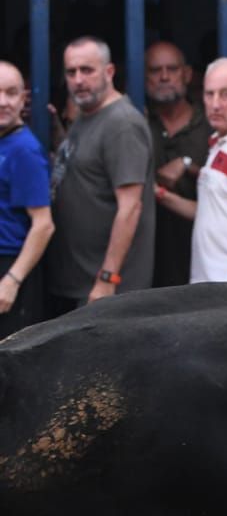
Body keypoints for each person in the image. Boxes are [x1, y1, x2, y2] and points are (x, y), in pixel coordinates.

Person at [46, 36, 155, 313]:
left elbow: (130, 207)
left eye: (87, 70)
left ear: (109, 72)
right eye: (71, 72)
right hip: (79, 281)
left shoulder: (122, 124)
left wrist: (108, 278)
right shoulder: (87, 114)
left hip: (106, 290)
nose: (78, 80)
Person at [151, 57, 227, 285]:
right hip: (211, 287)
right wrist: (159, 193)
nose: (216, 104)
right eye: (209, 94)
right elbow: (210, 211)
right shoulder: (223, 142)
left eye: (225, 94)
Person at [144, 41, 209, 287]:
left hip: (199, 261)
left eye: (172, 69)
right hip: (145, 262)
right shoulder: (136, 125)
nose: (164, 77)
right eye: (154, 70)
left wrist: (188, 165)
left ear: (187, 74)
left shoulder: (211, 125)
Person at [0, 59, 54, 336]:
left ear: (24, 99)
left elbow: (43, 224)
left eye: (11, 93)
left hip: (11, 268)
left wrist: (11, 280)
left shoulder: (24, 149)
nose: (3, 101)